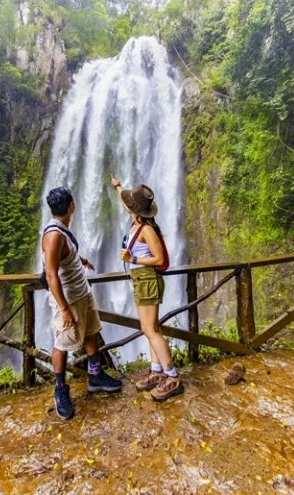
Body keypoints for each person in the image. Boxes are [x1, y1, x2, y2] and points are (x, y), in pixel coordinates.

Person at [42, 187, 123, 419]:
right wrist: (65, 309)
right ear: (72, 206)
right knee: (62, 344)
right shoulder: (53, 235)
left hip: (83, 293)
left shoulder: (61, 230)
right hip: (68, 300)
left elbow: (64, 255)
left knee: (91, 333)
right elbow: (51, 275)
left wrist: (82, 259)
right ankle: (60, 390)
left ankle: (95, 376)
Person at [110, 176, 183, 401]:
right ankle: (157, 370)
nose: (129, 207)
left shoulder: (147, 230)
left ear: (138, 210)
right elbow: (126, 203)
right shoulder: (137, 222)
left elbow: (159, 257)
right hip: (141, 280)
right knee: (151, 328)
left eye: (132, 205)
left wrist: (134, 259)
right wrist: (118, 187)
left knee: (150, 329)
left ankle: (172, 377)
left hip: (147, 279)